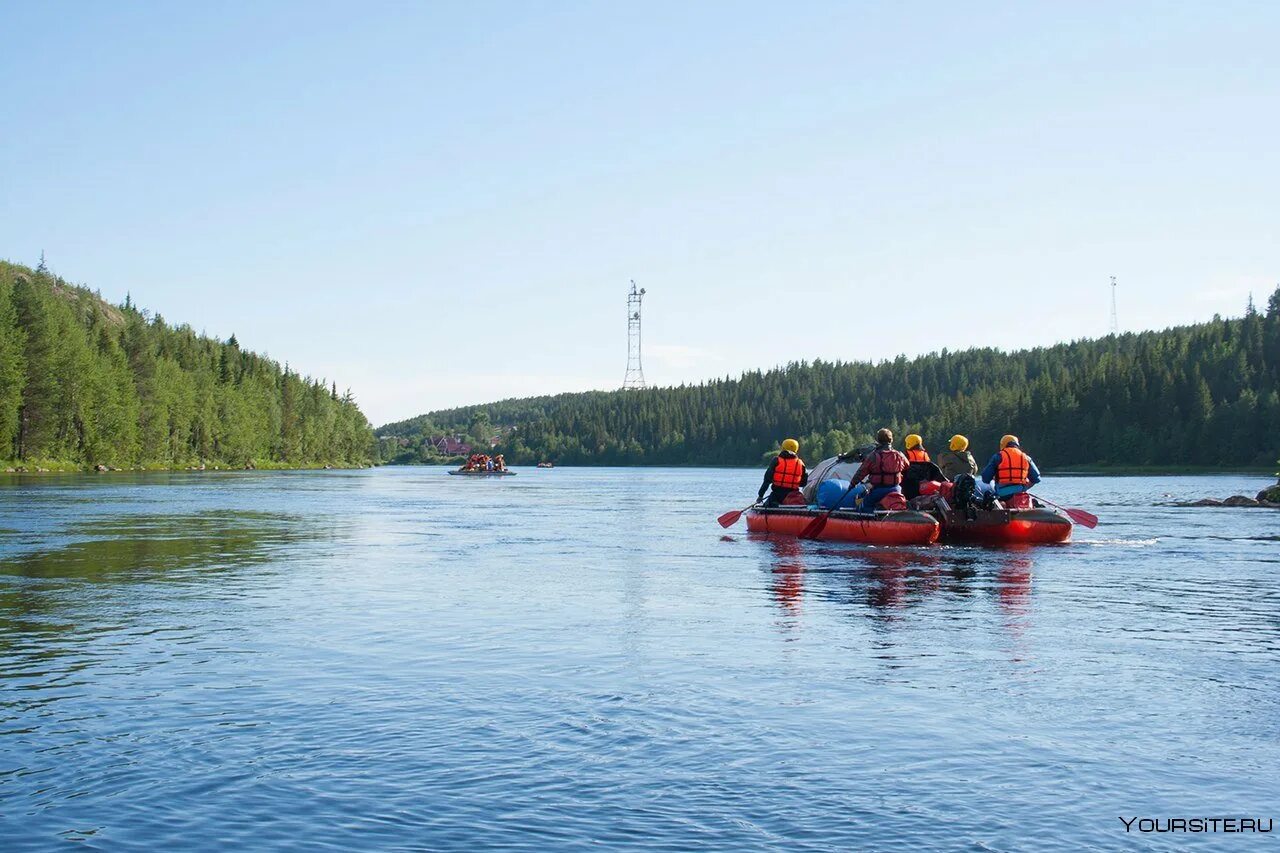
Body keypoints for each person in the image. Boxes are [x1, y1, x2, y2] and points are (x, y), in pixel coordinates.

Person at [851, 428, 909, 511]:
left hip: (879, 490)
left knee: (863, 506)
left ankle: (869, 518)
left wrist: (852, 484)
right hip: (896, 489)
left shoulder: (873, 456)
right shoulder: (899, 455)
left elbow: (861, 472)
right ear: (891, 440)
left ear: (878, 440)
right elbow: (907, 465)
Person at [981, 434, 1042, 500]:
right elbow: (1037, 479)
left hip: (1002, 494)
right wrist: (1024, 488)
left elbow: (985, 478)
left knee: (987, 497)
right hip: (1021, 493)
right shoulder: (1026, 457)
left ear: (1003, 444)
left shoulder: (998, 456)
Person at [758, 438, 808, 507]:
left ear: (783, 448)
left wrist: (760, 495)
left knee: (767, 506)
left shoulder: (776, 460)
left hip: (777, 496)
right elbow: (803, 483)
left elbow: (767, 480)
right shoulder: (801, 463)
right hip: (793, 496)